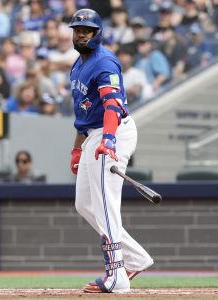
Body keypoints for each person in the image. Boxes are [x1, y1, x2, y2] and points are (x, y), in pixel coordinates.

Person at [68, 8, 153, 293]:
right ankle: (136, 258)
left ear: (96, 33)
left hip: (114, 131)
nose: (80, 34)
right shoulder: (78, 64)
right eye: (77, 29)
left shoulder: (104, 62)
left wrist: (109, 140)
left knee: (106, 204)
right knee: (85, 204)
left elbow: (112, 106)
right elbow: (83, 112)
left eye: (86, 30)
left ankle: (116, 276)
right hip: (94, 134)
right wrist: (77, 149)